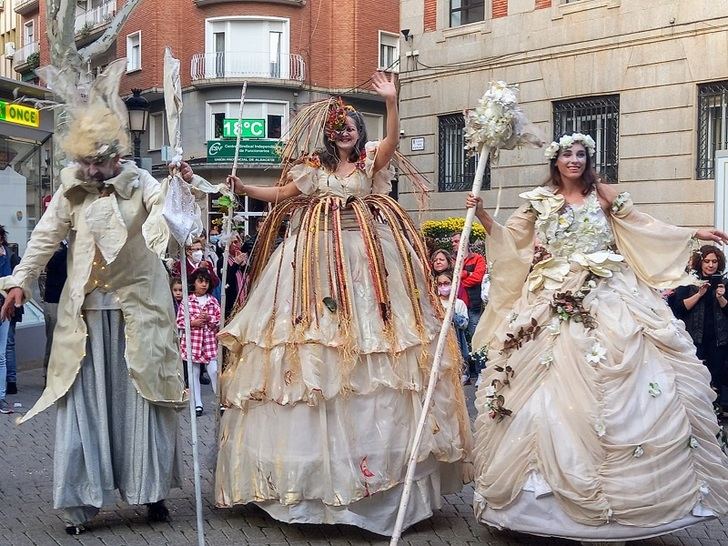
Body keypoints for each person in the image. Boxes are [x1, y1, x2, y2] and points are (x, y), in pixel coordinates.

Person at [214, 72, 472, 536]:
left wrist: (391, 101)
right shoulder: (312, 170)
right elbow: (281, 196)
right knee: (314, 348)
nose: (344, 130)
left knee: (378, 350)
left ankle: (380, 478)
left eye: (350, 124)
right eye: (337, 126)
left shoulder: (373, 162)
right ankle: (309, 481)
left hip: (370, 264)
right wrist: (245, 189)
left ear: (359, 130)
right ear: (328, 134)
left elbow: (393, 139)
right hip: (312, 267)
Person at [466, 132, 728, 544]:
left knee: (629, 377)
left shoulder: (604, 195)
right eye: (567, 154)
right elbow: (510, 238)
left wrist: (693, 234)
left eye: (581, 154)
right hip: (551, 296)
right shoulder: (540, 199)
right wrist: (481, 214)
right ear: (555, 161)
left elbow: (643, 226)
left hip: (612, 292)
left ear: (588, 160)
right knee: (539, 391)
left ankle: (630, 501)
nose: (574, 160)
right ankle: (543, 503)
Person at [0, 60, 212, 535]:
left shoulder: (142, 183)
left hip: (140, 314)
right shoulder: (72, 191)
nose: (93, 170)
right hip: (87, 320)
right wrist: (18, 280)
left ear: (117, 155)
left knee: (145, 399)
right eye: (86, 162)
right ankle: (80, 503)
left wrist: (179, 193)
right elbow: (44, 236)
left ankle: (151, 492)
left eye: (100, 161)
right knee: (82, 405)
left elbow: (174, 217)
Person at [670, 245, 728, 414]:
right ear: (700, 263)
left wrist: (721, 297)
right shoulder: (688, 282)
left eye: (715, 261)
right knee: (696, 377)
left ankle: (714, 412)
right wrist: (699, 294)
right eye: (707, 261)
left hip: (718, 340)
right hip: (695, 338)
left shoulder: (724, 283)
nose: (711, 265)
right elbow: (679, 309)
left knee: (715, 376)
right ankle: (697, 413)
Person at [176, 267, 221, 416]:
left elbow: (219, 320)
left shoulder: (213, 301)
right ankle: (197, 403)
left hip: (208, 342)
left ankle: (219, 399)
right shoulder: (187, 301)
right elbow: (180, 321)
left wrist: (210, 319)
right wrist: (193, 323)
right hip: (193, 342)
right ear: (194, 282)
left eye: (206, 282)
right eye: (200, 281)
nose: (204, 285)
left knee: (214, 370)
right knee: (193, 373)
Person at [435, 271, 469, 381]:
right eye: (440, 284)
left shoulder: (459, 304)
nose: (443, 286)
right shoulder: (434, 304)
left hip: (456, 344)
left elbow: (464, 324)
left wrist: (451, 314)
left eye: (446, 283)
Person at [0, 226, 11, 414]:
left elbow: (10, 281)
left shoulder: (7, 256)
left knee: (1, 355)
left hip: (4, 307)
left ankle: (0, 397)